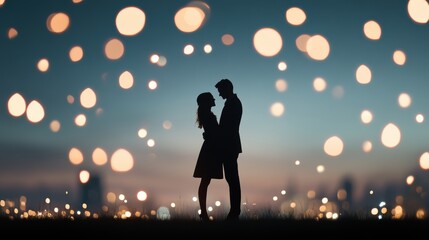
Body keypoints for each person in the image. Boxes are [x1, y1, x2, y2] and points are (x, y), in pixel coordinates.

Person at [193, 92, 223, 222]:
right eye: (211, 98)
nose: (214, 99)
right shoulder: (208, 115)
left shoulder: (207, 114)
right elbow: (214, 132)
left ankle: (203, 212)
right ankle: (203, 212)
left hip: (210, 148)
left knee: (205, 181)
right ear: (206, 102)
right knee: (205, 181)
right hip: (210, 150)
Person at [215, 79, 243, 221]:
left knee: (232, 179)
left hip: (229, 145)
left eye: (220, 91)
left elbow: (228, 127)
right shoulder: (233, 103)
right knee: (231, 178)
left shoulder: (233, 103)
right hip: (230, 145)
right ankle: (234, 211)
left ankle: (234, 212)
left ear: (227, 89)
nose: (219, 95)